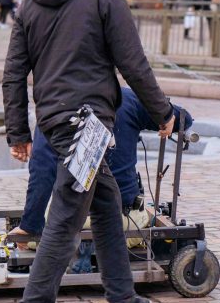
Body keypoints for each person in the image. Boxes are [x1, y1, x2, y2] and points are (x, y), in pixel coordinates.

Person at [2, 0, 174, 303]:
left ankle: (122, 297)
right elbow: (132, 63)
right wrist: (163, 111)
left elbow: (13, 73)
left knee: (105, 205)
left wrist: (19, 132)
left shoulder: (30, 2)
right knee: (65, 215)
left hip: (57, 120)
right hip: (90, 125)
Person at [12, 87, 192, 241]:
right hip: (124, 220)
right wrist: (164, 117)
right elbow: (185, 119)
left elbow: (42, 173)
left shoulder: (54, 108)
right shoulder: (128, 98)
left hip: (67, 219)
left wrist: (29, 226)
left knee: (43, 229)